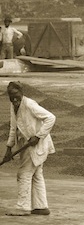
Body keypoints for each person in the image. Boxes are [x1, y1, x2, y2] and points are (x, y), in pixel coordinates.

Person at [2, 81, 55, 217]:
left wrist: (38, 136)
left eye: (16, 95)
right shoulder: (13, 106)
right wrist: (9, 148)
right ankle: (41, 206)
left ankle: (23, 207)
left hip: (36, 144)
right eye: (11, 95)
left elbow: (51, 117)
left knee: (24, 174)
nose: (14, 98)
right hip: (26, 144)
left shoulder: (30, 104)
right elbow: (14, 128)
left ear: (21, 93)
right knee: (36, 175)